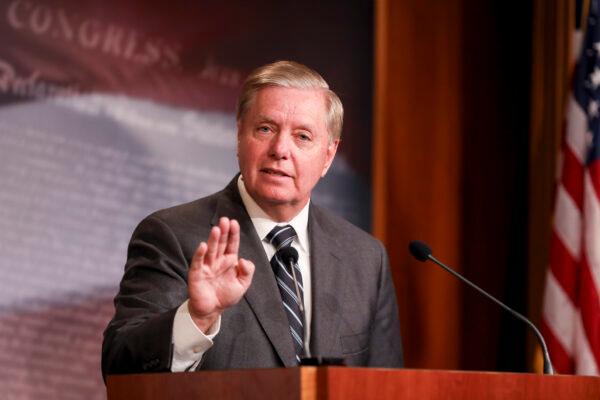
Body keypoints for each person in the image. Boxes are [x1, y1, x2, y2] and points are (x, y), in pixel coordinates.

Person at [101, 61, 403, 376]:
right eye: (265, 129)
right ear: (239, 136)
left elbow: (390, 388)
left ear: (328, 156)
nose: (280, 149)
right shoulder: (171, 236)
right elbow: (120, 370)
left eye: (302, 136)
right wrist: (196, 318)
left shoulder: (366, 259)